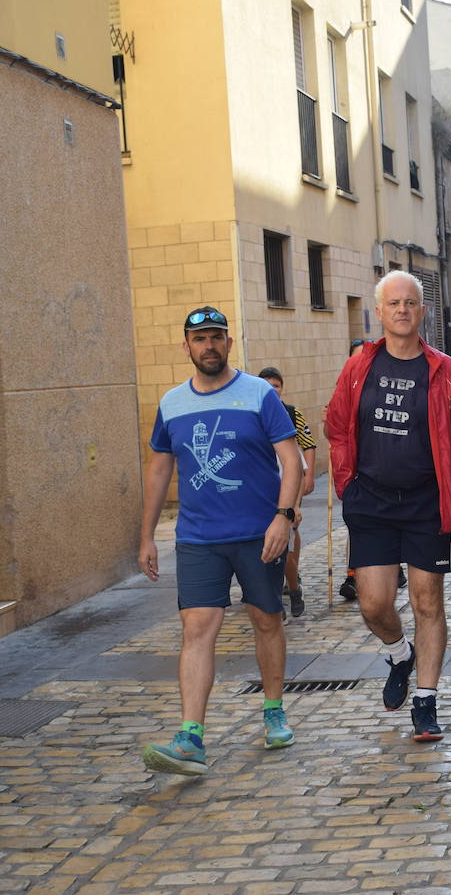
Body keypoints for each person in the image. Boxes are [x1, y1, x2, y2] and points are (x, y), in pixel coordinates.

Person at [324, 271, 451, 743]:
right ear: (379, 312)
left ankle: (426, 701)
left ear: (423, 312)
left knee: (426, 601)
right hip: (371, 502)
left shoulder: (445, 371)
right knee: (374, 603)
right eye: (393, 303)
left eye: (411, 303)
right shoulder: (359, 367)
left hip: (425, 503)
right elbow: (336, 425)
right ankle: (400, 653)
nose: (402, 310)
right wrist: (345, 483)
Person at [138, 306, 303, 775]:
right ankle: (190, 736)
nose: (208, 346)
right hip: (198, 538)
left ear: (229, 343)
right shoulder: (171, 403)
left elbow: (290, 461)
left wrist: (283, 517)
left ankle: (273, 710)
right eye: (199, 339)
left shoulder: (257, 394)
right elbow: (159, 469)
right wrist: (147, 535)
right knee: (197, 629)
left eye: (216, 337)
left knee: (266, 621)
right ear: (186, 347)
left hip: (258, 534)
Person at [337, 340, 407, 603]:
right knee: (356, 530)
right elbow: (336, 430)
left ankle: (394, 566)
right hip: (361, 482)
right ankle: (352, 575)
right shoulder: (347, 387)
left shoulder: (387, 385)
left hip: (395, 479)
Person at [257, 366, 316, 620]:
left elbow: (304, 451)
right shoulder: (253, 416)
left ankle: (293, 589)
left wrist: (295, 503)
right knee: (263, 552)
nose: (272, 391)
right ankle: (271, 600)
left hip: (287, 492)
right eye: (266, 386)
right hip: (260, 497)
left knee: (286, 550)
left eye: (276, 386)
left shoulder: (290, 415)